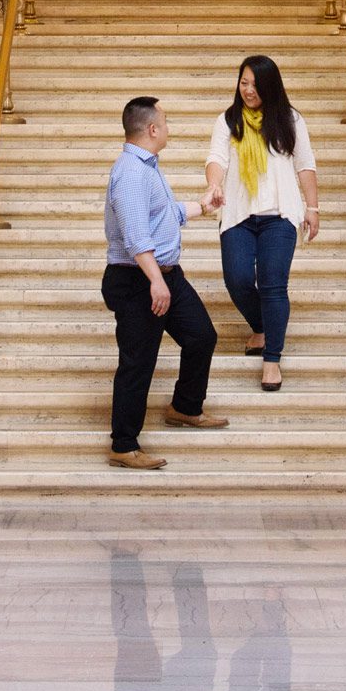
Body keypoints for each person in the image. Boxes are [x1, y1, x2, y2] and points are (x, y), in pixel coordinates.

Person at [101, 95, 229, 470]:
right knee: (137, 363)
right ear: (152, 128)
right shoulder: (130, 171)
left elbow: (164, 214)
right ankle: (124, 445)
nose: (169, 127)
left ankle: (184, 407)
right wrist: (156, 281)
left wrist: (202, 207)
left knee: (201, 336)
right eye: (166, 121)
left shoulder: (147, 167)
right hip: (138, 279)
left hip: (165, 275)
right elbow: (136, 236)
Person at [205, 55, 318, 391]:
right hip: (239, 214)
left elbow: (305, 165)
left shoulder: (290, 119)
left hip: (279, 216)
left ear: (270, 85)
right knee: (237, 278)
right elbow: (216, 159)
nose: (248, 90)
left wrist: (312, 208)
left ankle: (272, 359)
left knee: (272, 284)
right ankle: (262, 325)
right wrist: (214, 185)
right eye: (243, 82)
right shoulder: (228, 120)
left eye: (255, 84)